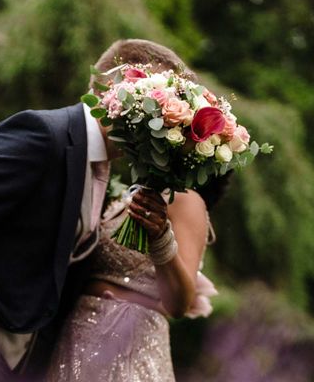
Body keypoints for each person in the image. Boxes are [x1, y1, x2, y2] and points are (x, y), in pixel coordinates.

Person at [0, 39, 194, 381]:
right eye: (159, 105)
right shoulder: (43, 135)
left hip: (5, 357)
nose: (164, 125)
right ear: (117, 92)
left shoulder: (96, 166)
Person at [45, 51, 223, 381]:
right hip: (78, 335)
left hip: (131, 346)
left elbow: (180, 304)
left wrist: (160, 238)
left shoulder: (186, 201)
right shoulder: (121, 192)